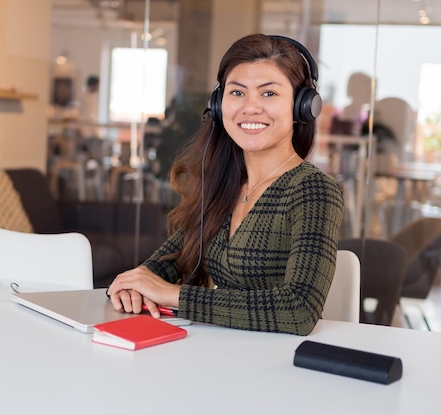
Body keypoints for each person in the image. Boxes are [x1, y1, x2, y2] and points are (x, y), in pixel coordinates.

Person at [106, 33, 344, 336]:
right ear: (218, 105)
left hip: (279, 366)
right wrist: (132, 287)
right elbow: (165, 264)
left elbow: (298, 310)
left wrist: (172, 295)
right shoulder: (225, 184)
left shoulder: (312, 190)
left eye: (269, 94)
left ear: (302, 107)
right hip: (220, 353)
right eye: (237, 93)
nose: (250, 108)